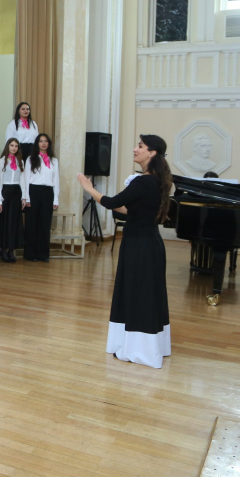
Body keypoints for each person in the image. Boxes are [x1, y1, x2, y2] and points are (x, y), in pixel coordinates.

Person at [77, 135, 172, 369]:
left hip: (139, 245)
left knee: (138, 294)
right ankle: (150, 344)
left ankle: (140, 350)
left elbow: (111, 203)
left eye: (140, 146)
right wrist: (105, 198)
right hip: (150, 243)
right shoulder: (157, 180)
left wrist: (89, 188)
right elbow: (130, 208)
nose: (135, 149)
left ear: (152, 153)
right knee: (147, 293)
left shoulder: (142, 182)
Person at [23, 133, 59, 262]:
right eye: (40, 141)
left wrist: (56, 199)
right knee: (32, 223)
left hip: (48, 192)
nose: (43, 143)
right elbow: (26, 179)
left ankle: (43, 253)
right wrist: (26, 197)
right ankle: (30, 253)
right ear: (37, 143)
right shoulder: (30, 159)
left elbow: (56, 180)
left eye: (45, 141)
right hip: (34, 191)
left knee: (45, 223)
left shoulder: (54, 161)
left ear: (48, 144)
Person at [0, 138, 26, 263]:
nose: (14, 148)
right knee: (5, 221)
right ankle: (3, 248)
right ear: (7, 146)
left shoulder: (21, 162)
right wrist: (0, 198)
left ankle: (11, 249)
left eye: (16, 146)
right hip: (6, 191)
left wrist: (24, 197)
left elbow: (23, 180)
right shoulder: (1, 161)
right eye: (12, 145)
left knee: (14, 221)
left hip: (16, 192)